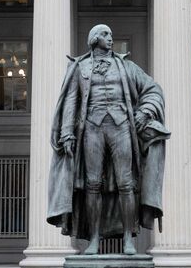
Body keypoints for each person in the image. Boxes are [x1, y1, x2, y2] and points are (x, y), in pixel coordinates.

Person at [47, 24, 169, 255]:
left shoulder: (126, 66)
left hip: (122, 126)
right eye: (105, 35)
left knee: (126, 184)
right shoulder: (79, 68)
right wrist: (66, 133)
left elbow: (153, 89)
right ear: (94, 39)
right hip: (91, 128)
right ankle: (93, 239)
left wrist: (145, 111)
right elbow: (71, 101)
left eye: (111, 35)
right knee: (92, 185)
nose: (111, 38)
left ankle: (128, 239)